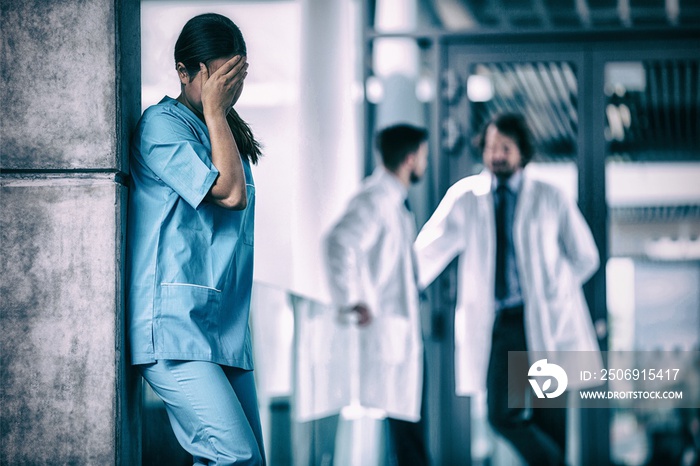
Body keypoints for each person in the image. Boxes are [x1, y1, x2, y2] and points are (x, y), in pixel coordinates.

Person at [415, 112, 602, 466]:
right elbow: (430, 248)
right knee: (501, 415)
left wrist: (554, 290)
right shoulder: (466, 197)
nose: (496, 155)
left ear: (522, 151)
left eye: (505, 147)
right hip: (501, 324)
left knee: (551, 420)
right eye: (490, 148)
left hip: (548, 320)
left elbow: (585, 256)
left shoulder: (550, 197)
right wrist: (404, 285)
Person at [126, 13, 265, 465]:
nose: (228, 89)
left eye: (235, 77)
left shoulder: (221, 131)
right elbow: (229, 194)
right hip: (174, 329)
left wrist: (217, 115)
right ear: (184, 73)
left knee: (248, 460)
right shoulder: (162, 127)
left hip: (221, 325)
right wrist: (215, 110)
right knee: (236, 456)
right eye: (218, 78)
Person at [323, 123, 430, 465]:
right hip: (386, 333)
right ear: (410, 159)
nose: (424, 164)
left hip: (396, 333)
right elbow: (339, 241)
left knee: (406, 434)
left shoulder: (393, 201)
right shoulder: (376, 198)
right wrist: (353, 299)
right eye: (423, 157)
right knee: (403, 436)